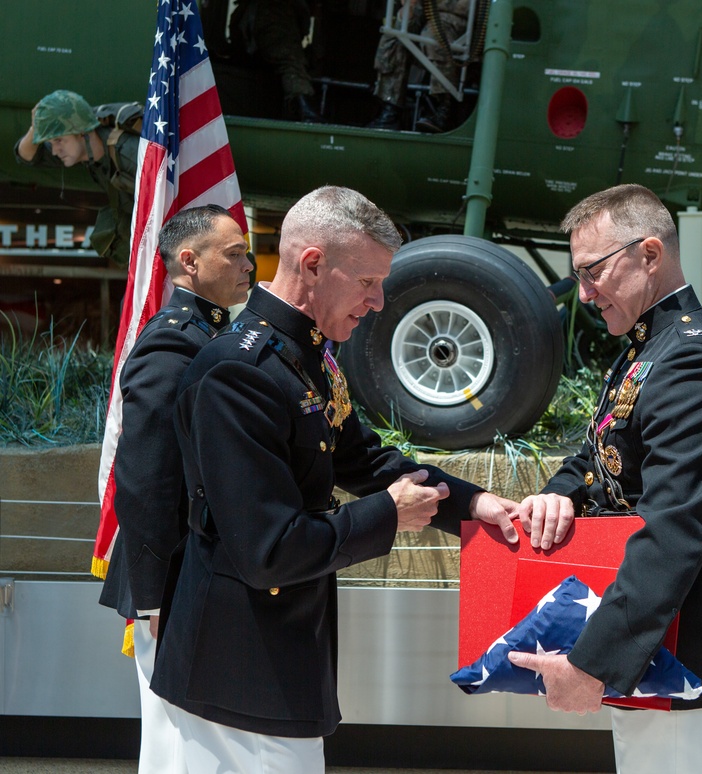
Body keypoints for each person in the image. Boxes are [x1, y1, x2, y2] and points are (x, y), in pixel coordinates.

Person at [150, 185, 549, 772]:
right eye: (367, 282)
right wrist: (387, 514)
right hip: (235, 672)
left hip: (277, 659)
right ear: (312, 264)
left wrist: (476, 503)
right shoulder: (239, 372)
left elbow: (362, 459)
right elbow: (268, 550)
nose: (380, 300)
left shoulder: (307, 354)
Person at [508, 184, 702, 774]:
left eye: (593, 271)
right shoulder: (648, 348)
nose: (585, 293)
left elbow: (673, 528)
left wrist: (593, 663)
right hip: (654, 633)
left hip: (685, 636)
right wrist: (559, 495)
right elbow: (598, 456)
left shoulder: (692, 361)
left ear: (650, 254)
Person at [98, 204, 253, 774]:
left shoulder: (213, 334)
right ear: (189, 261)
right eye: (234, 254)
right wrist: (153, 596)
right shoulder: (171, 345)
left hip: (197, 571)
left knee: (202, 740)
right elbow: (144, 480)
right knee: (173, 740)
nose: (249, 265)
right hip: (170, 577)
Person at [14, 90, 141, 267]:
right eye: (51, 143)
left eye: (58, 141)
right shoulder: (82, 150)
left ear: (83, 133)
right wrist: (36, 128)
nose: (54, 150)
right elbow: (26, 156)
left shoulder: (129, 153)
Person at [368, 0, 470, 132]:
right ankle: (391, 108)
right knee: (395, 34)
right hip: (426, 10)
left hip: (458, 16)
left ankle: (444, 108)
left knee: (434, 34)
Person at [229, 0, 321, 122]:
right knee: (291, 64)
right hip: (274, 16)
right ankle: (306, 112)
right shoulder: (279, 15)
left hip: (258, 19)